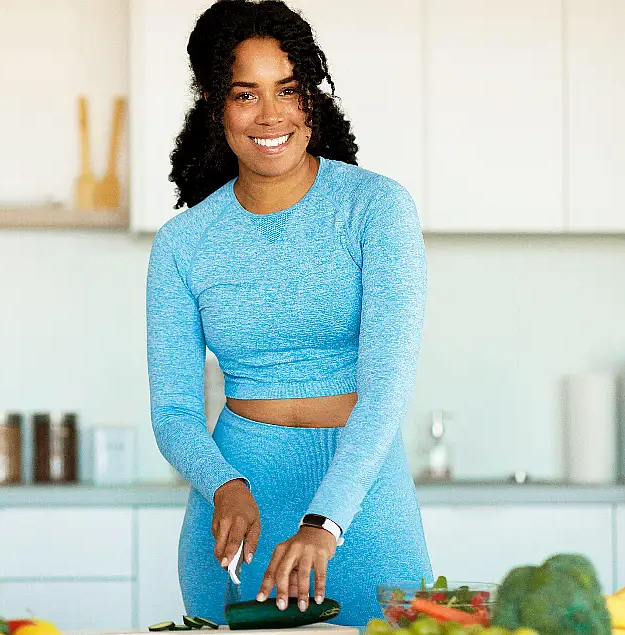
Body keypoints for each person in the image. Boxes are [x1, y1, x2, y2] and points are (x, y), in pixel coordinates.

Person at [145, 0, 432, 627]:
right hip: (237, 515)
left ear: (312, 99)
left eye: (289, 90)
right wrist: (223, 482)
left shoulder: (376, 209)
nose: (270, 114)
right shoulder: (183, 242)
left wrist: (323, 523)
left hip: (361, 507)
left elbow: (386, 389)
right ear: (213, 104)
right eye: (245, 94)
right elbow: (171, 410)